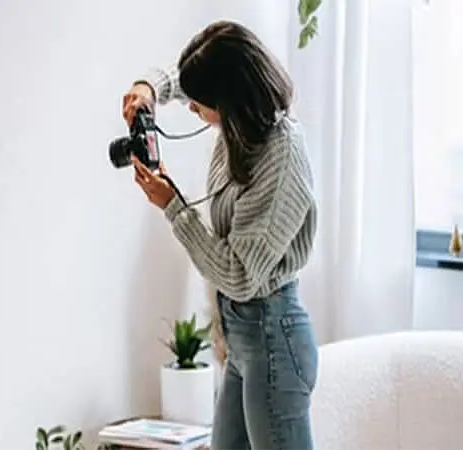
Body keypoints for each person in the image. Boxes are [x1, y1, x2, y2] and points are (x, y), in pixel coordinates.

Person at [122, 20, 319, 450]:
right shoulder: (243, 129)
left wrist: (173, 208)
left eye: (200, 103)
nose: (193, 109)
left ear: (231, 99)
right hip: (245, 340)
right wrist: (149, 90)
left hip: (273, 337)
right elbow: (188, 75)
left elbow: (241, 275)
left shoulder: (280, 157)